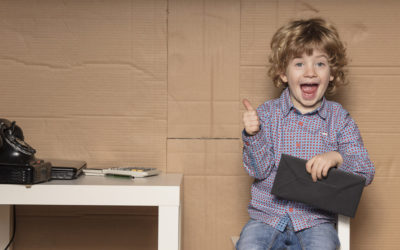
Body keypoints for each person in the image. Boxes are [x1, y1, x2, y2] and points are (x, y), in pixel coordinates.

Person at [236, 18, 375, 250]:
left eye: (320, 64)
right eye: (299, 64)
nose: (310, 72)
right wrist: (253, 134)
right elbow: (259, 170)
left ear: (332, 73)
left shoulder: (339, 119)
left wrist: (337, 157)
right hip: (267, 218)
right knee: (248, 246)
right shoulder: (267, 115)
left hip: (315, 222)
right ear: (283, 73)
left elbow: (365, 171)